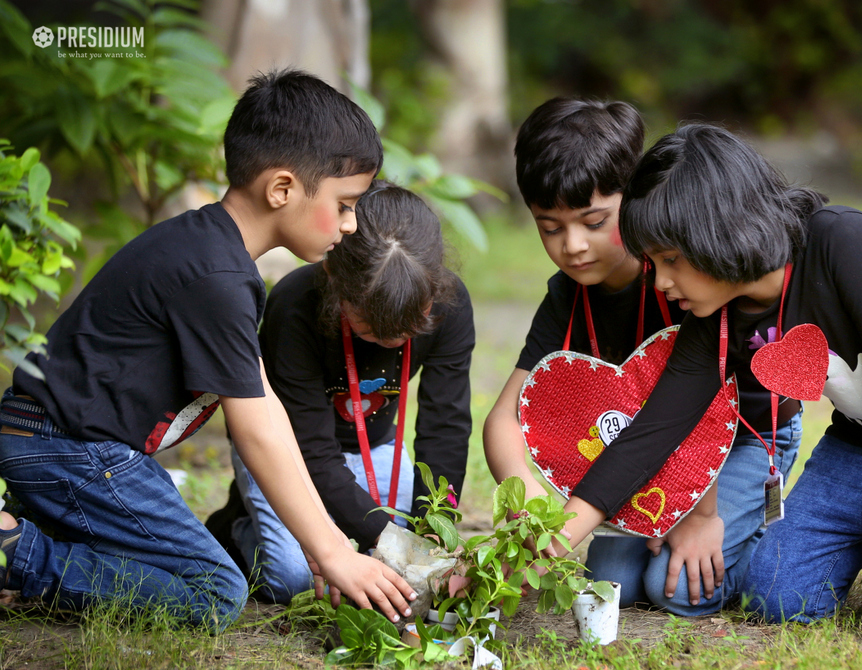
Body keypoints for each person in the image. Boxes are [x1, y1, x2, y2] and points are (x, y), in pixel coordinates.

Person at [566, 121, 862, 637]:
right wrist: (547, 544)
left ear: (717, 233)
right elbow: (654, 431)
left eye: (670, 260)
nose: (663, 282)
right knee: (777, 598)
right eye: (653, 263)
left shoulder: (845, 242)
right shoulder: (715, 316)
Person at [0, 69, 416, 631]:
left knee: (162, 571)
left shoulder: (214, 254)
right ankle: (13, 552)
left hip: (67, 445)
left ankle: (36, 539)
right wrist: (335, 553)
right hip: (70, 450)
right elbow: (255, 429)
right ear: (282, 189)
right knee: (214, 592)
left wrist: (324, 540)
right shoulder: (216, 276)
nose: (350, 224)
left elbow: (265, 403)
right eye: (345, 203)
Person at [482, 98, 802, 615]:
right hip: (645, 452)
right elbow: (504, 418)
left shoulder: (682, 277)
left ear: (634, 200)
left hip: (740, 439)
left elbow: (706, 411)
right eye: (551, 227)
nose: (574, 246)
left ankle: (782, 536)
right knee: (614, 582)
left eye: (594, 221)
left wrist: (697, 514)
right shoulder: (567, 296)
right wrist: (529, 513)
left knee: (674, 590)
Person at [207, 181, 474, 604]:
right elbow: (311, 450)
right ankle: (241, 526)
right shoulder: (295, 306)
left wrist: (431, 533)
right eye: (371, 326)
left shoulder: (450, 303)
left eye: (412, 325)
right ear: (334, 279)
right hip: (286, 447)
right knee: (297, 579)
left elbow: (446, 427)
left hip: (376, 444)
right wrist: (388, 541)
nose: (393, 339)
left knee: (392, 559)